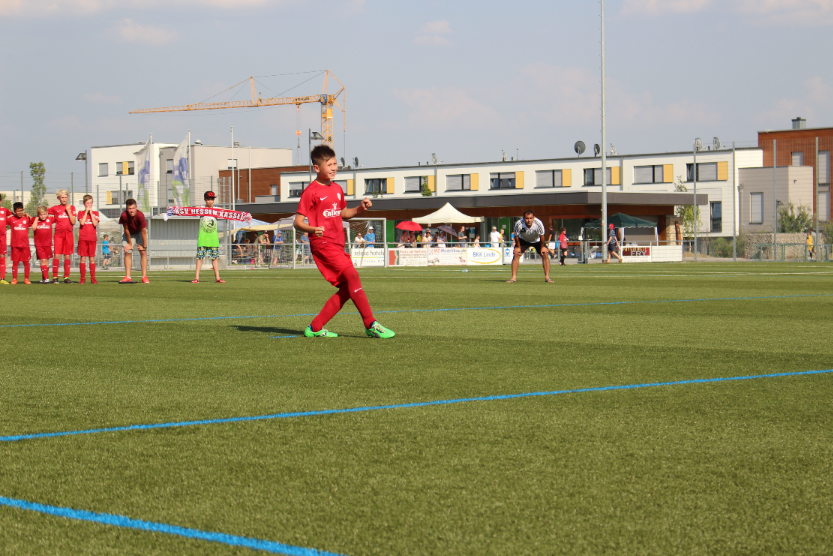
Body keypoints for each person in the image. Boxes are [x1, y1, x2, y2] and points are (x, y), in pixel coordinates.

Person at [295, 143, 395, 339]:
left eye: (335, 164)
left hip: (338, 244)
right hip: (323, 244)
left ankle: (315, 327)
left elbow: (343, 214)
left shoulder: (337, 189)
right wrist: (313, 229)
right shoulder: (310, 192)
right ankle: (371, 324)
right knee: (353, 276)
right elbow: (298, 222)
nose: (334, 168)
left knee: (349, 288)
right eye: (329, 164)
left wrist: (360, 209)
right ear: (316, 168)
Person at [507, 210, 551, 283]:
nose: (529, 220)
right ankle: (513, 278)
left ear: (534, 218)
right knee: (516, 254)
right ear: (524, 218)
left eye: (531, 218)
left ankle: (547, 278)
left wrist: (543, 247)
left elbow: (542, 236)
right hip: (523, 240)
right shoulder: (519, 224)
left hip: (537, 240)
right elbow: (516, 236)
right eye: (527, 218)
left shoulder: (539, 223)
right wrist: (518, 247)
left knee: (545, 254)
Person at [192, 191, 224, 284]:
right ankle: (196, 278)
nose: (210, 201)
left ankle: (217, 278)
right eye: (208, 199)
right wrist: (173, 210)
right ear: (205, 199)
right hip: (203, 238)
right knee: (199, 258)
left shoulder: (216, 209)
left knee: (214, 258)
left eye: (212, 199)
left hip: (213, 239)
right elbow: (189, 209)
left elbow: (228, 212)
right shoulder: (201, 209)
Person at [47, 189, 77, 283]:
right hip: (58, 234)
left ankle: (66, 277)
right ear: (58, 198)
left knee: (67, 256)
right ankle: (55, 277)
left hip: (68, 234)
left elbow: (73, 221)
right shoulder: (55, 208)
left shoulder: (71, 208)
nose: (64, 199)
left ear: (68, 197)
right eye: (62, 197)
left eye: (65, 197)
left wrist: (68, 211)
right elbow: (43, 212)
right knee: (57, 255)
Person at [118, 198, 149, 283]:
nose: (132, 211)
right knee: (128, 251)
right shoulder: (124, 215)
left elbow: (144, 232)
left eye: (133, 208)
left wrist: (144, 246)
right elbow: (126, 230)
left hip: (140, 232)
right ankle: (128, 277)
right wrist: (130, 244)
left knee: (143, 252)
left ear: (136, 207)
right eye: (129, 209)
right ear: (126, 209)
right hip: (130, 233)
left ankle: (144, 277)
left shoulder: (140, 215)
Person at [76, 194, 99, 284]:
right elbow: (82, 222)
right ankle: (82, 278)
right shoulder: (80, 213)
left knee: (92, 259)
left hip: (92, 239)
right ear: (84, 204)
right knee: (83, 258)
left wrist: (91, 213)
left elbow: (95, 223)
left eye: (90, 203)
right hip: (83, 238)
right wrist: (86, 212)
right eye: (87, 203)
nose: (89, 205)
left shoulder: (95, 213)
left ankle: (93, 278)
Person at [8, 202, 33, 285]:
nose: (20, 212)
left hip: (25, 245)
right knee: (15, 262)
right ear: (14, 211)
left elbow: (35, 220)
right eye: (18, 211)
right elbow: (3, 220)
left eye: (21, 210)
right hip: (15, 245)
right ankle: (14, 279)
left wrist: (28, 215)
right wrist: (10, 215)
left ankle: (26, 278)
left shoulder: (26, 218)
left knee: (26, 262)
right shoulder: (11, 219)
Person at [31, 206, 56, 283]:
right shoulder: (35, 220)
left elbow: (57, 217)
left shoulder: (50, 219)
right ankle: (46, 278)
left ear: (47, 213)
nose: (43, 216)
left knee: (46, 261)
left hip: (48, 244)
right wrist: (36, 219)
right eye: (41, 214)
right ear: (38, 214)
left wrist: (50, 215)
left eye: (44, 214)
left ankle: (44, 277)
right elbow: (33, 228)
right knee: (43, 260)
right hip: (39, 244)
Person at [0, 194, 13, 285]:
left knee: (2, 256)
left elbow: (12, 216)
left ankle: (2, 278)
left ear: (0, 201)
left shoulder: (4, 210)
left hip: (2, 236)